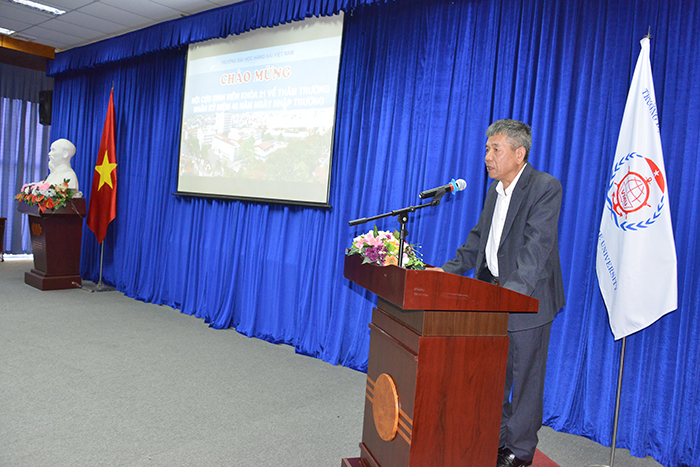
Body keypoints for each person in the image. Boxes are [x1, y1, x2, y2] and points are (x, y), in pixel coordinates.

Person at [432, 119, 565, 467]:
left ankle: (520, 451)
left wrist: (508, 299)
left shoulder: (544, 187)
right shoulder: (495, 190)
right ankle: (499, 438)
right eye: (487, 149)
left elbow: (536, 251)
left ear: (519, 154)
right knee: (495, 377)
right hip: (492, 297)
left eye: (496, 149)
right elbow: (479, 239)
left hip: (527, 300)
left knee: (525, 381)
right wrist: (447, 271)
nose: (487, 157)